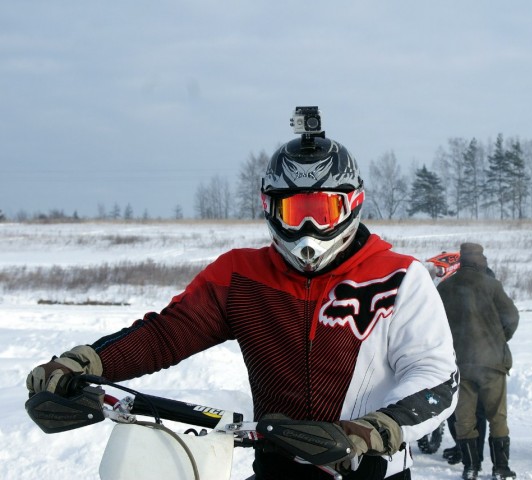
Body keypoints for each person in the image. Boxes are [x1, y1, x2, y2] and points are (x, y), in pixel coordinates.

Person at [26, 110, 459, 480]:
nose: (307, 228)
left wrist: (377, 428)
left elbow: (436, 375)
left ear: (352, 204)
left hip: (367, 468)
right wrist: (88, 360)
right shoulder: (241, 275)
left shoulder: (400, 277)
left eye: (321, 210)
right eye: (294, 210)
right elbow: (169, 333)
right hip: (276, 466)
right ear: (270, 207)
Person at [437, 243, 519, 480]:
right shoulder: (491, 285)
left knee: (465, 419)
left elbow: (436, 325)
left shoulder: (445, 287)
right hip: (491, 363)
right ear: (480, 260)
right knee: (497, 417)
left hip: (460, 364)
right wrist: (500, 339)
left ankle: (470, 468)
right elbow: (511, 317)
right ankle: (501, 469)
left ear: (461, 261)